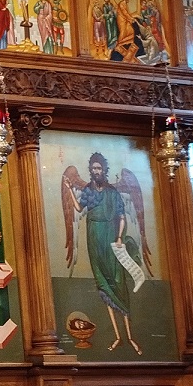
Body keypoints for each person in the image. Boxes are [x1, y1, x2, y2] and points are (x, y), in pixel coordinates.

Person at [64, 152, 142, 354]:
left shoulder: (112, 192)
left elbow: (121, 216)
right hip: (94, 237)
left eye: (99, 168)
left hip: (110, 237)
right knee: (103, 284)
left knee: (118, 282)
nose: (96, 171)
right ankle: (117, 337)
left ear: (104, 170)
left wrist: (119, 237)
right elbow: (79, 207)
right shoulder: (89, 190)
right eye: (93, 168)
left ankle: (130, 336)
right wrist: (69, 190)